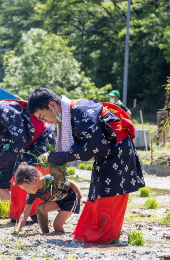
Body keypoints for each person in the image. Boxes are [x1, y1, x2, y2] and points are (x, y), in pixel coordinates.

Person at [27, 87, 145, 243]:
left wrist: (60, 156)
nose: (44, 121)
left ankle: (104, 238)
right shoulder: (71, 115)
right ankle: (93, 236)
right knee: (97, 196)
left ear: (52, 105)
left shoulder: (81, 110)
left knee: (108, 198)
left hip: (118, 154)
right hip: (108, 155)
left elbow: (92, 146)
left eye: (42, 116)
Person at [14, 163, 84, 234]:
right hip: (57, 201)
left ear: (36, 180)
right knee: (41, 208)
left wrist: (82, 197)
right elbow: (25, 213)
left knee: (57, 225)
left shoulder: (51, 180)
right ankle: (45, 233)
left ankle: (63, 238)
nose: (27, 191)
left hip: (70, 200)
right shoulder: (32, 194)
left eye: (27, 188)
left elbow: (71, 183)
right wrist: (17, 229)